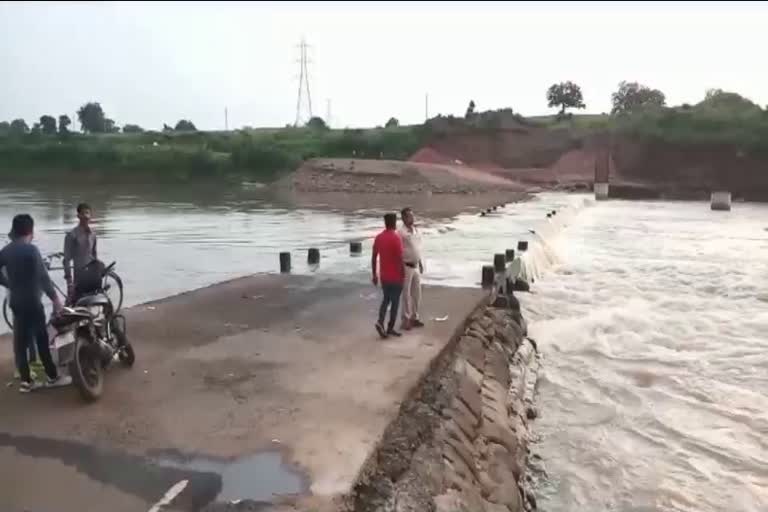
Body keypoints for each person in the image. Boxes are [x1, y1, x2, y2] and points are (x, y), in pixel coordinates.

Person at [0, 214, 70, 392]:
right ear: (30, 231)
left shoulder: (5, 252)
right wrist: (56, 300)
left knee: (21, 342)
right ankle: (52, 377)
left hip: (15, 302)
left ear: (14, 231)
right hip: (32, 302)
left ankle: (26, 382)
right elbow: (44, 278)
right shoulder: (31, 250)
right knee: (41, 339)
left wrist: (9, 284)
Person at [371, 212, 405, 339]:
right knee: (395, 302)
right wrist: (403, 275)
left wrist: (374, 274)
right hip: (396, 277)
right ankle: (390, 327)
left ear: (385, 223)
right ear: (394, 223)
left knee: (386, 300)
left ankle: (380, 321)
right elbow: (400, 259)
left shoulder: (379, 237)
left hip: (384, 276)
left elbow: (374, 257)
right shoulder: (396, 238)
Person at [63, 202, 99, 303]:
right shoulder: (72, 235)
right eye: (83, 213)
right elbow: (66, 260)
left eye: (88, 213)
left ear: (91, 216)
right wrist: (69, 282)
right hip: (77, 279)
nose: (86, 216)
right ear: (78, 216)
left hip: (90, 277)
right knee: (72, 307)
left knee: (89, 308)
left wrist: (97, 273)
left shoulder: (93, 235)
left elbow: (94, 256)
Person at [398, 207, 425, 330]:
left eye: (413, 216)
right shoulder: (401, 232)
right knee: (406, 293)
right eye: (409, 216)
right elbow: (398, 250)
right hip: (406, 266)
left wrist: (420, 262)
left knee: (417, 293)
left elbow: (417, 248)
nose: (412, 218)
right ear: (403, 218)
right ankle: (406, 319)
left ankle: (415, 316)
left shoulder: (416, 230)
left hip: (415, 265)